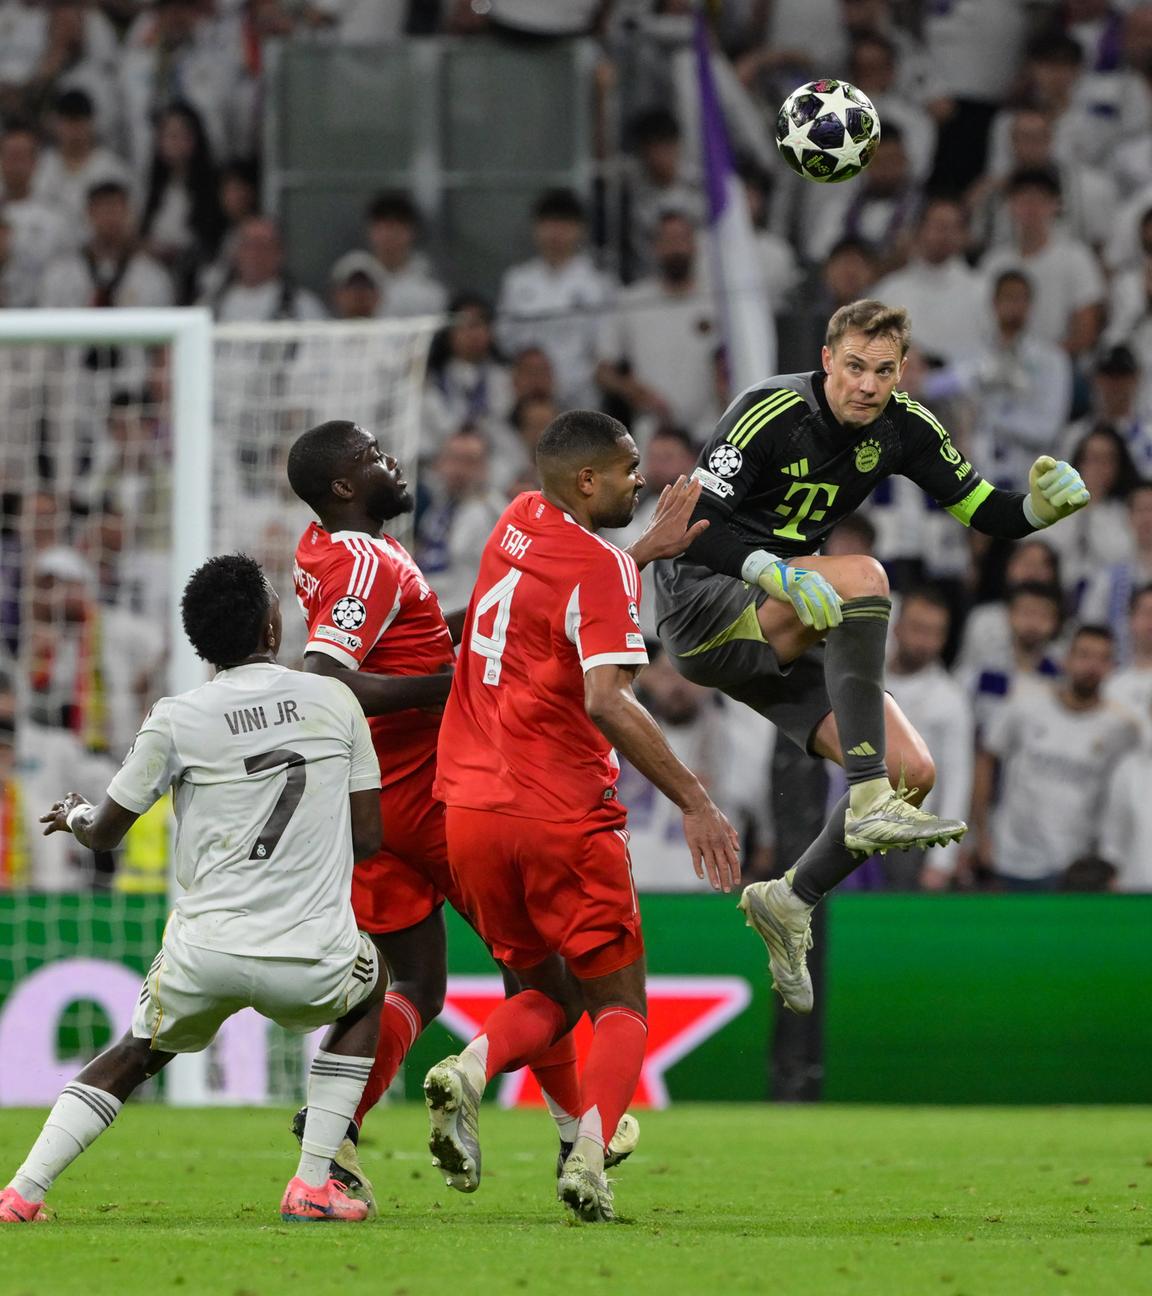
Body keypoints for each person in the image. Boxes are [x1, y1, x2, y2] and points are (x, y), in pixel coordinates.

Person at [654, 299, 1091, 1013]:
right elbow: (692, 525)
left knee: (914, 773)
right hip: (703, 604)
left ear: (901, 372)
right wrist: (771, 569)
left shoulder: (905, 427)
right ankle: (865, 795)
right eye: (854, 366)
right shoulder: (768, 410)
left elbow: (983, 508)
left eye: (882, 371)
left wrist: (1037, 512)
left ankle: (791, 898)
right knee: (865, 576)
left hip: (788, 616)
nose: (866, 384)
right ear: (828, 360)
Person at [0, 554, 386, 1225]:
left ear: (198, 640)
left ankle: (23, 1192)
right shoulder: (335, 700)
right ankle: (312, 1183)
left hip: (204, 953)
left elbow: (104, 834)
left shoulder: (176, 717)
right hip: (310, 955)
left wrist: (72, 814)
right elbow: (371, 837)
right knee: (372, 985)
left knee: (135, 1052)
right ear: (272, 626)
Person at [425, 411, 740, 1222]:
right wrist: (695, 800)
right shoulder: (598, 568)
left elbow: (571, 590)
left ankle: (469, 1064)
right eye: (630, 468)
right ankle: (591, 1159)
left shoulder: (515, 520)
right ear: (588, 480)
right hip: (561, 814)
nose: (642, 480)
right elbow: (607, 697)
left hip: (470, 813)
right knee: (619, 1003)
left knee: (545, 993)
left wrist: (639, 555)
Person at [286, 420, 589, 1210]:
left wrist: (476, 627)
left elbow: (391, 646)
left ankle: (336, 1126)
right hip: (436, 797)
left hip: (369, 806)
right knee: (546, 981)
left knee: (417, 983)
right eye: (373, 455)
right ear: (345, 487)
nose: (392, 459)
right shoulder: (368, 561)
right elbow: (325, 677)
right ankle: (574, 1137)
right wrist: (454, 685)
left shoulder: (319, 549)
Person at [971, 625, 1139, 889]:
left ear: (1111, 667)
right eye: (1084, 655)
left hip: (1070, 868)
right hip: (1008, 857)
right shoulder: (1025, 702)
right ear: (1067, 659)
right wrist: (980, 835)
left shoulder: (1120, 728)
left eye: (1102, 658)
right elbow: (986, 758)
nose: (1092, 666)